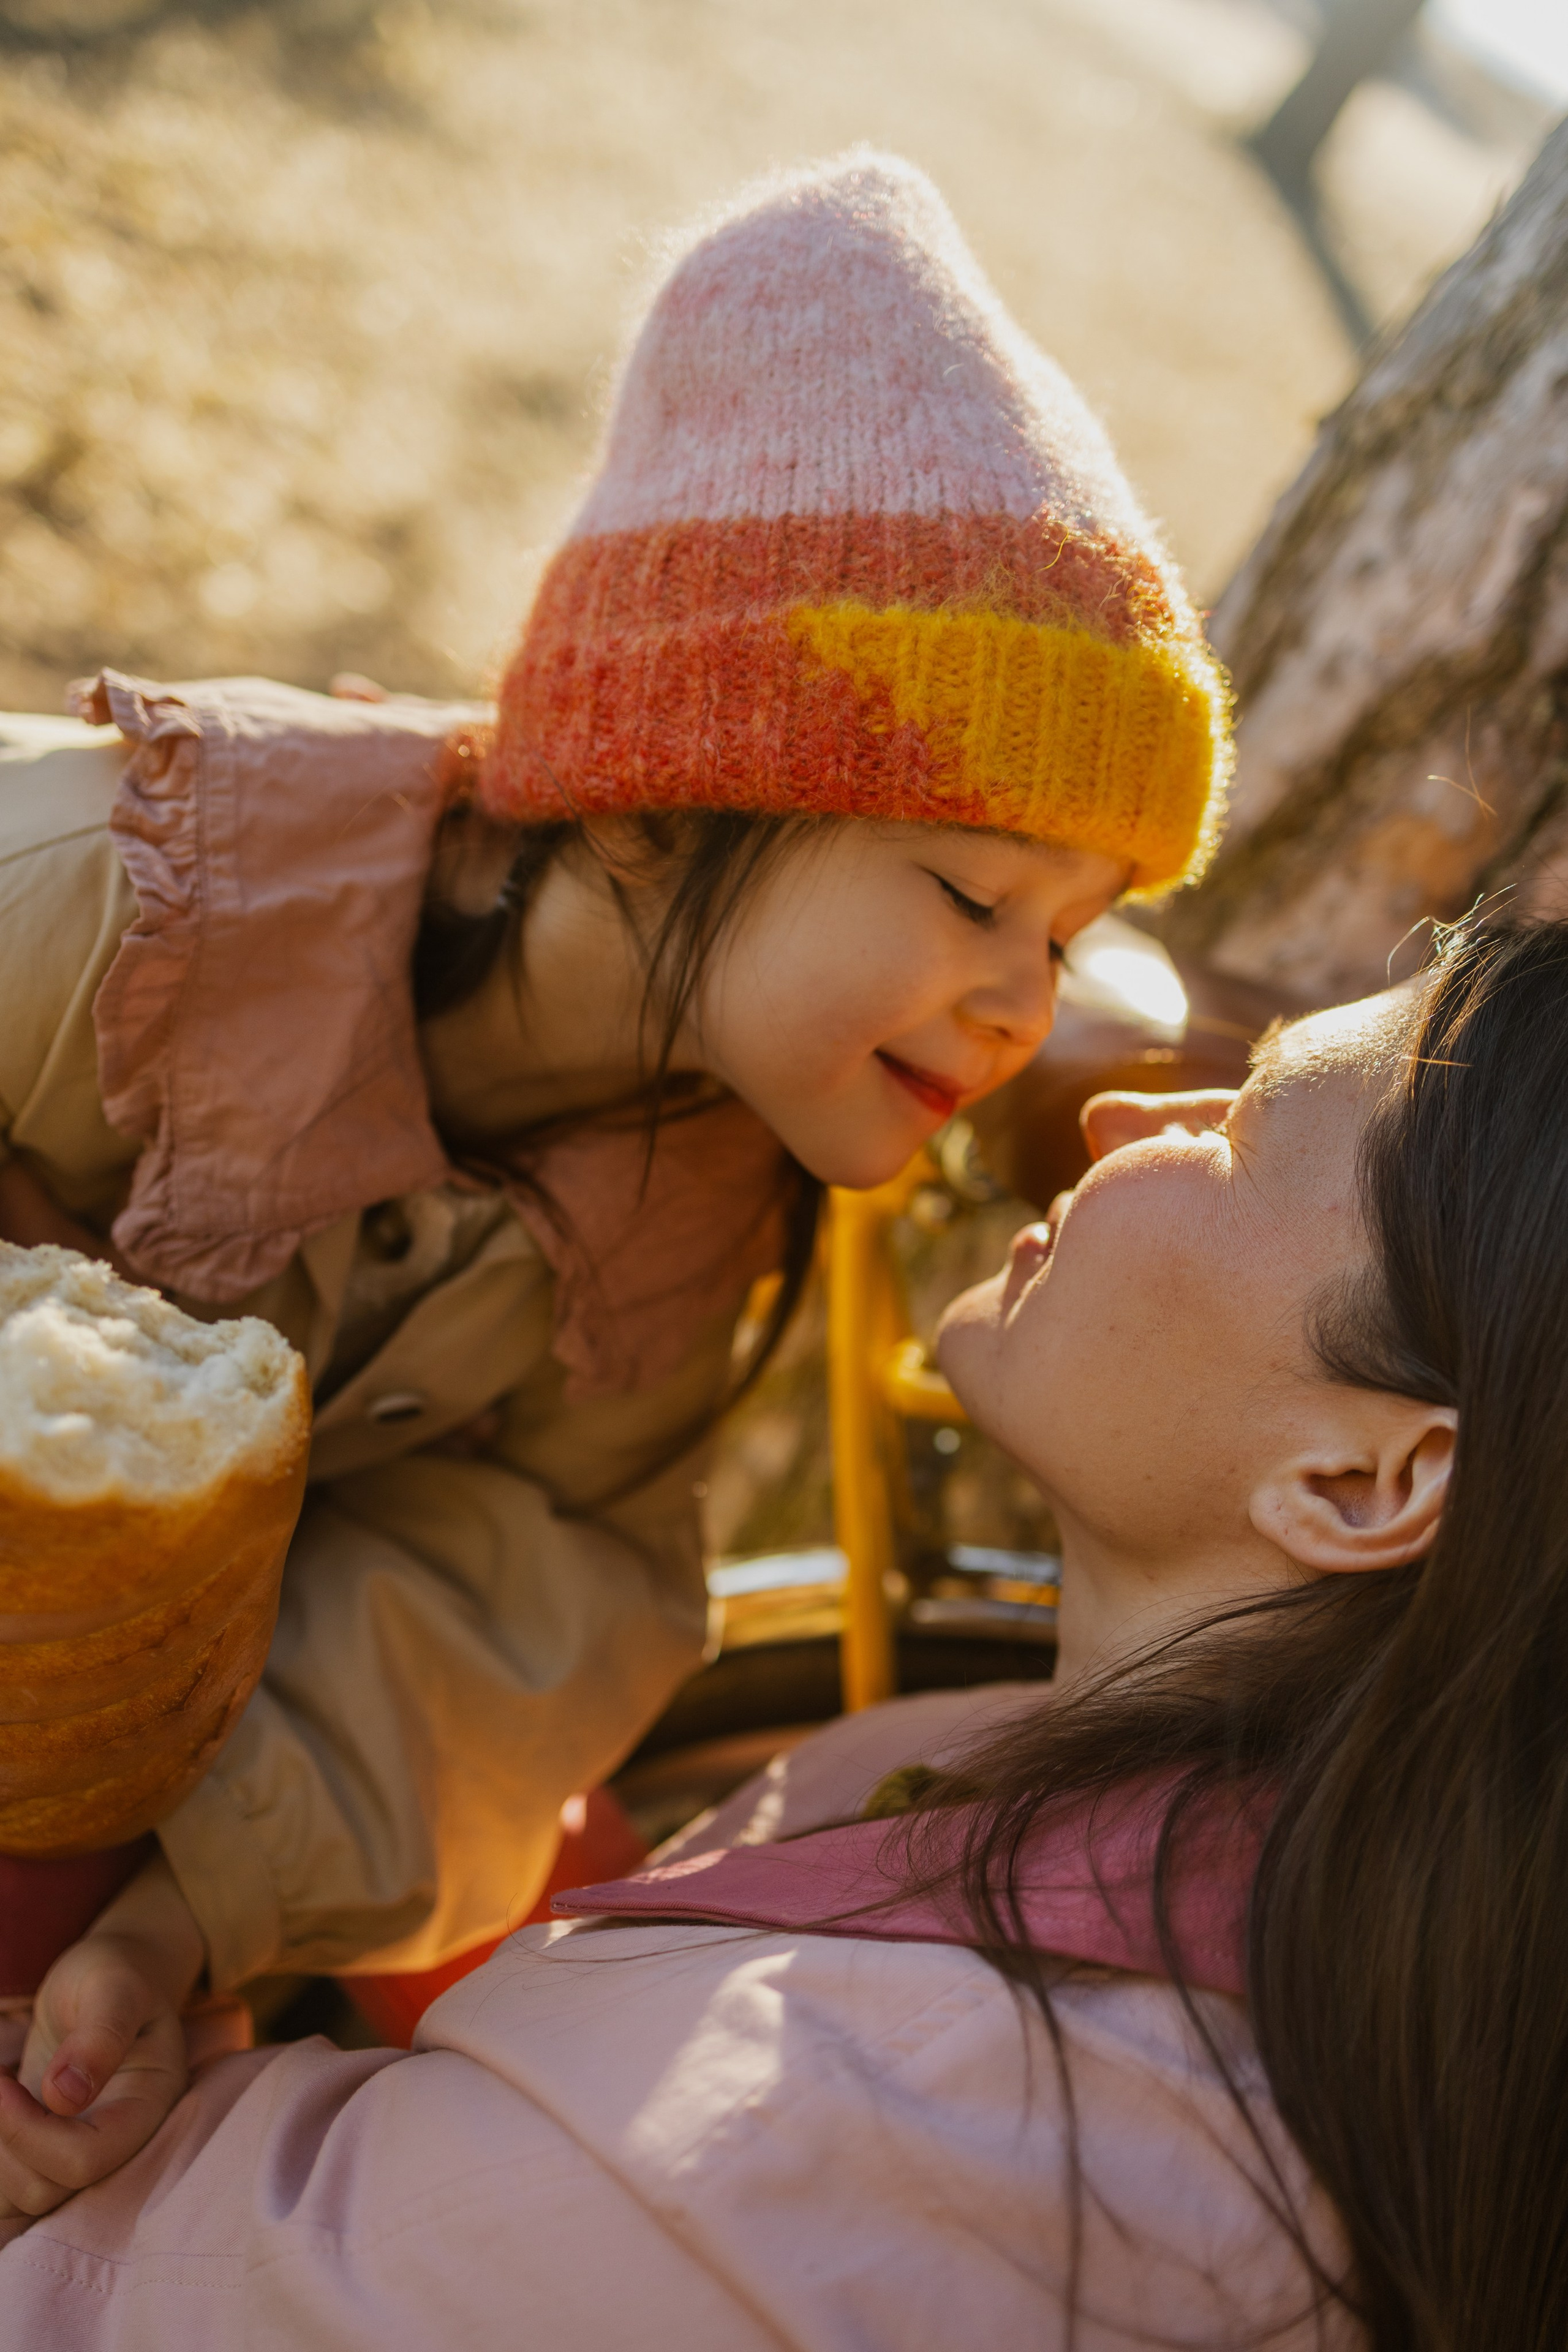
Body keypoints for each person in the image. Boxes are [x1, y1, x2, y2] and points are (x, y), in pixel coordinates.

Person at [0, 152, 1230, 2211]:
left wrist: (186, 1915)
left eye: (1078, 931)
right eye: (973, 896)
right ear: (656, 814)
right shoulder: (120, 909)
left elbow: (519, 1600)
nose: (1027, 999)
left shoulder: (696, 1216)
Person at [6, 911, 1556, 2348]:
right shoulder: (1026, 1797)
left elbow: (106, 2302)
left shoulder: (852, 2138)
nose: (1114, 1114)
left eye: (1236, 1125)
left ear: (1361, 1479)